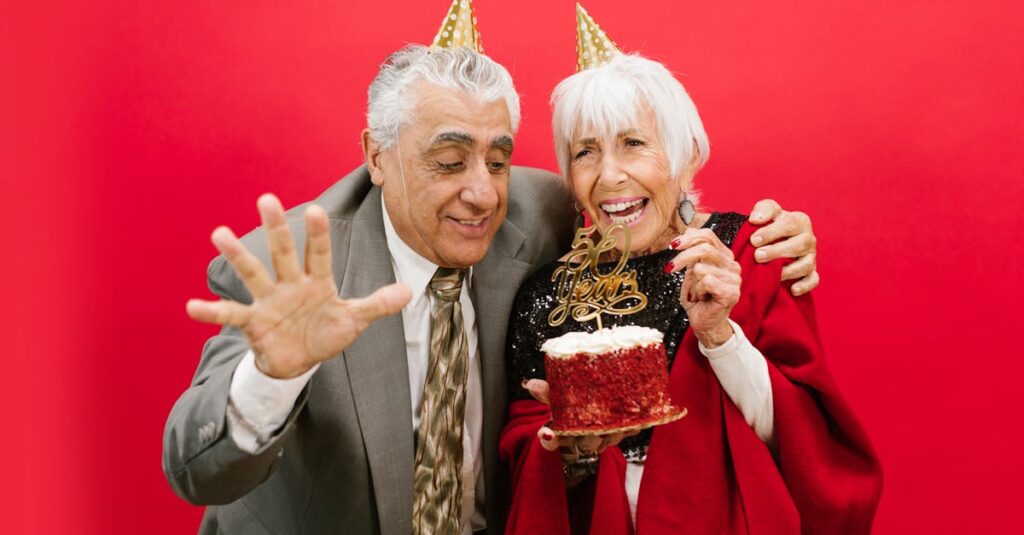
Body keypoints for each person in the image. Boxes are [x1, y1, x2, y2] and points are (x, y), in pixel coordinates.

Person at [162, 4, 822, 534]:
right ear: (378, 155)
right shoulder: (293, 269)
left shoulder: (545, 216)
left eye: (499, 159)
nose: (482, 193)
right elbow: (197, 471)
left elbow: (645, 205)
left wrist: (775, 238)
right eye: (449, 162)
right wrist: (274, 376)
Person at [500, 9, 882, 535]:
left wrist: (719, 335)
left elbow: (801, 438)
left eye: (633, 143)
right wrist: (572, 451)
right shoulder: (544, 291)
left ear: (687, 156)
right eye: (585, 152)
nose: (610, 175)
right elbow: (521, 455)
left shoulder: (752, 251)